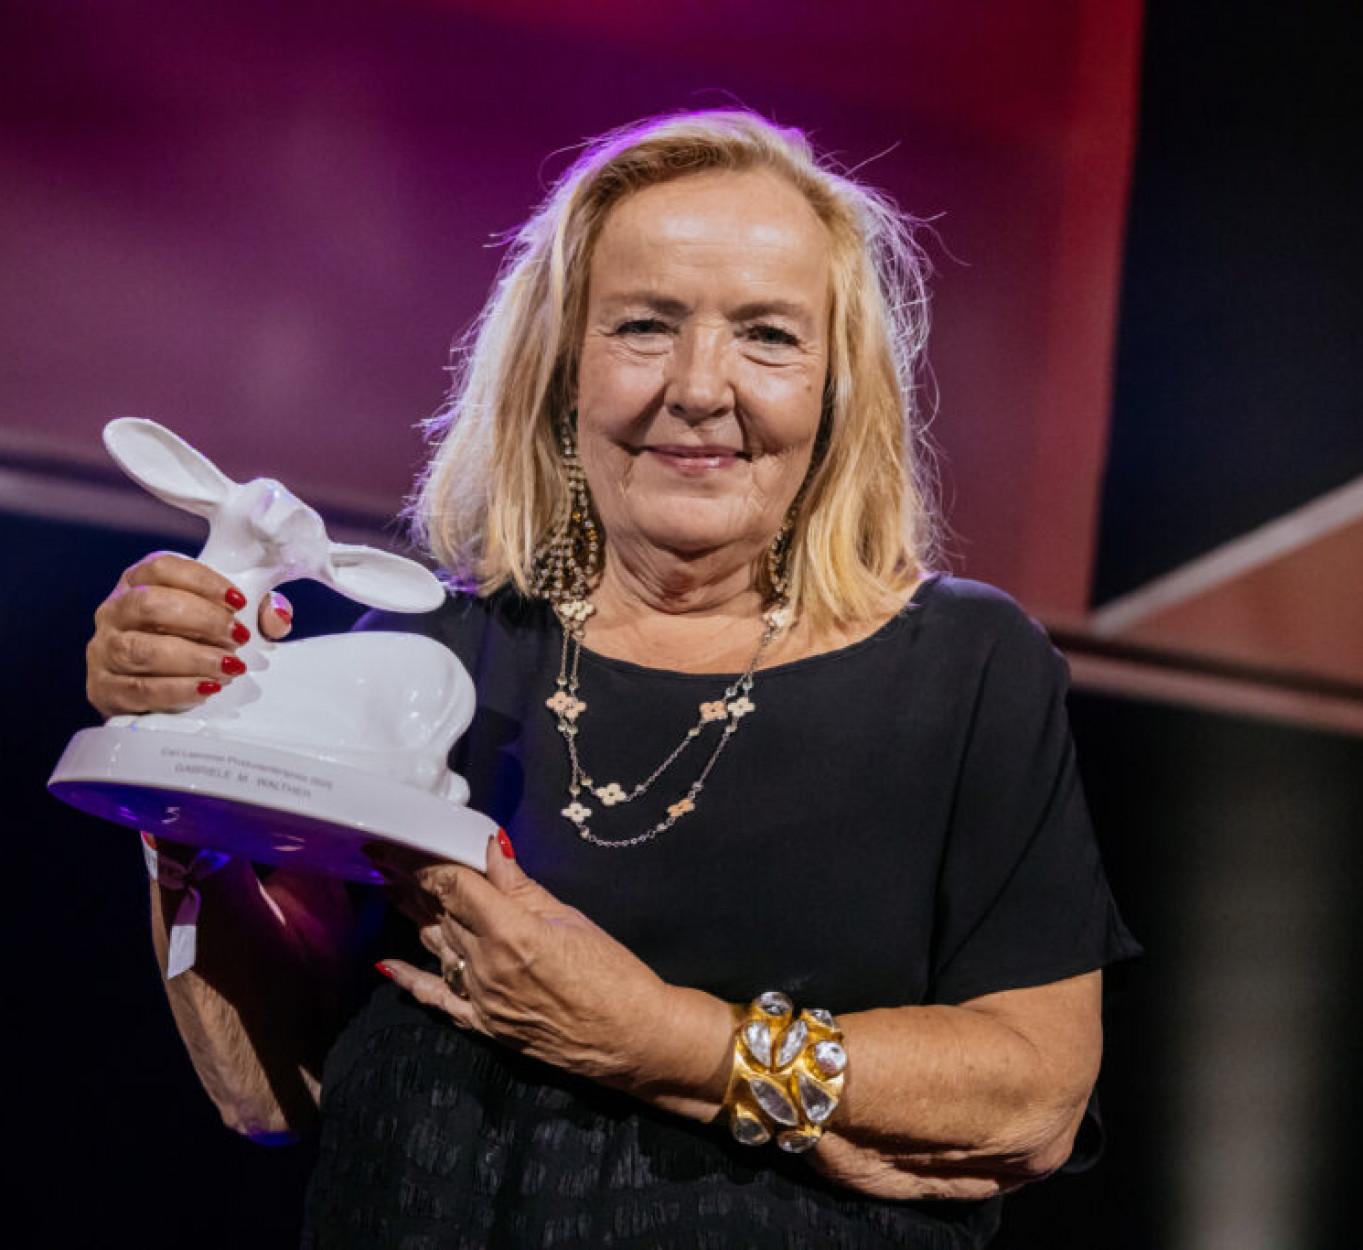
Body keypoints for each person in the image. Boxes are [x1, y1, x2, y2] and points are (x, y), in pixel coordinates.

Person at [85, 110, 1139, 1247]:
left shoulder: (967, 668)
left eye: (769, 336)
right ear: (560, 370)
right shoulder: (428, 648)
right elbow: (266, 1091)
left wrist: (666, 1037)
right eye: (644, 325)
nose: (699, 385)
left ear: (838, 390)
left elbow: (1035, 1098)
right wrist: (181, 789)